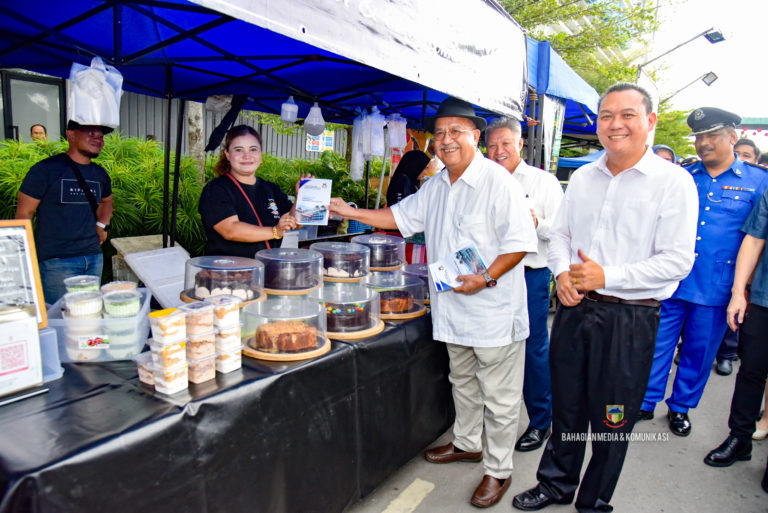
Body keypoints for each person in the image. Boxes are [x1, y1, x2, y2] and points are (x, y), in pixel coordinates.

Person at [329, 97, 538, 508]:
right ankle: (466, 442)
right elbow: (398, 218)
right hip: (453, 308)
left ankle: (498, 469)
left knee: (499, 395)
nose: (446, 140)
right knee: (461, 380)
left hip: (493, 310)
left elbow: (520, 244)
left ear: (476, 136)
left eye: (456, 131)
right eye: (440, 133)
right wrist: (348, 209)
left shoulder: (499, 183)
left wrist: (486, 276)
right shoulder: (437, 185)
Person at [512, 83, 698, 512]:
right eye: (606, 115)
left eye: (627, 115)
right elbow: (559, 235)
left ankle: (593, 501)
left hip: (629, 320)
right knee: (569, 407)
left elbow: (676, 262)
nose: (615, 124)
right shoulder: (582, 177)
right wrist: (561, 273)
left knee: (613, 419)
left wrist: (606, 275)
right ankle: (555, 485)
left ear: (649, 122)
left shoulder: (673, 183)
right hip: (576, 312)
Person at [637, 108, 768, 436]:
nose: (703, 143)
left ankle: (680, 407)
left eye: (712, 136)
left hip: (717, 284)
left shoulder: (757, 182)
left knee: (699, 349)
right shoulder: (683, 175)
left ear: (732, 138)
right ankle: (647, 400)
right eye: (699, 137)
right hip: (671, 279)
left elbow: (758, 237)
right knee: (657, 344)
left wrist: (745, 287)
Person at [485, 116, 564, 452]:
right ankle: (493, 418)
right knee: (491, 348)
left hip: (530, 275)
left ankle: (540, 421)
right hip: (490, 275)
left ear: (520, 144)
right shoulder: (482, 180)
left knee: (532, 349)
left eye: (505, 143)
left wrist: (535, 222)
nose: (499, 150)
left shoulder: (543, 182)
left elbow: (561, 232)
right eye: (492, 145)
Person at [703, 188, 768, 496]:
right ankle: (739, 438)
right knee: (751, 372)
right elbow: (755, 238)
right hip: (765, 299)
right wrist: (738, 292)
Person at [15, 121, 114, 304]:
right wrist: (22, 256)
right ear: (71, 134)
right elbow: (24, 214)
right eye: (91, 133)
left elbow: (107, 201)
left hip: (93, 257)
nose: (97, 139)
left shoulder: (99, 173)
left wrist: (102, 225)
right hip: (56, 262)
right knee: (60, 319)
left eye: (100, 136)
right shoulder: (45, 170)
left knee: (88, 317)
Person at [198, 125, 300, 258]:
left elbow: (294, 222)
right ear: (227, 155)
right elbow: (230, 230)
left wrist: (302, 197)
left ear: (260, 154)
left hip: (266, 270)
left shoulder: (270, 188)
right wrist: (275, 231)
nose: (247, 156)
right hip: (229, 273)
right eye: (238, 150)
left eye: (253, 149)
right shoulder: (216, 189)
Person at [712, 137, 763, 375]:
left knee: (733, 319)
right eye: (738, 153)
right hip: (726, 264)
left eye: (747, 155)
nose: (741, 158)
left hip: (745, 265)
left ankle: (726, 354)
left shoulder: (759, 181)